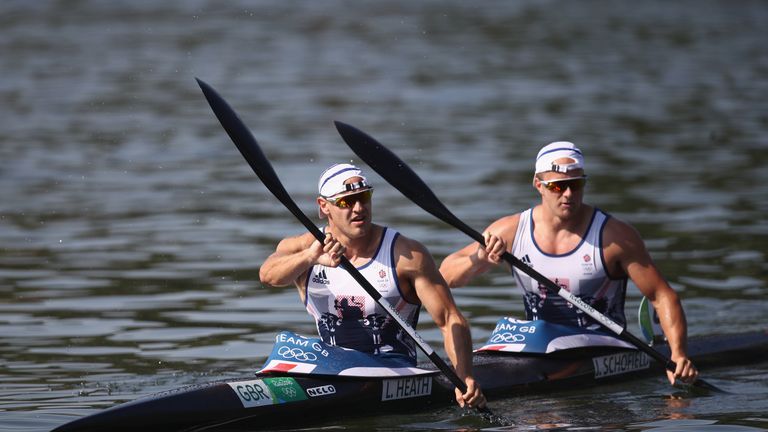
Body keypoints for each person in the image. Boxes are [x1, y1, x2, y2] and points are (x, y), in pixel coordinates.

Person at [439, 142, 699, 386]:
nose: (568, 194)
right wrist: (480, 258)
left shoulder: (615, 237)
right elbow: (444, 277)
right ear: (538, 185)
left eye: (576, 184)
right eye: (557, 186)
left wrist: (677, 354)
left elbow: (661, 295)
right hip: (539, 346)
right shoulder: (510, 231)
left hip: (601, 345)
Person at [259, 163, 485, 408]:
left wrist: (465, 376)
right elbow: (268, 275)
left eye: (364, 198)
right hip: (329, 369)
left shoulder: (407, 255)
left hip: (392, 372)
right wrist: (311, 258)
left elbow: (450, 319)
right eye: (346, 202)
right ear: (324, 207)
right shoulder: (304, 248)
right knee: (288, 345)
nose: (359, 208)